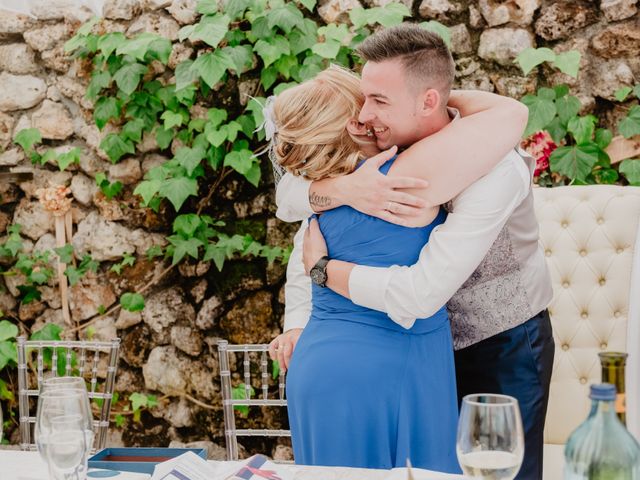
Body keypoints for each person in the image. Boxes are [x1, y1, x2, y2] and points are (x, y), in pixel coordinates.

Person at [270, 24, 554, 480]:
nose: (363, 115)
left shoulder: (497, 169)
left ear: (427, 101)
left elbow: (415, 289)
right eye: (365, 97)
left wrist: (325, 271)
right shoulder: (381, 146)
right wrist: (343, 189)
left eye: (379, 100)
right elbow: (294, 206)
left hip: (500, 341)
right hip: (420, 349)